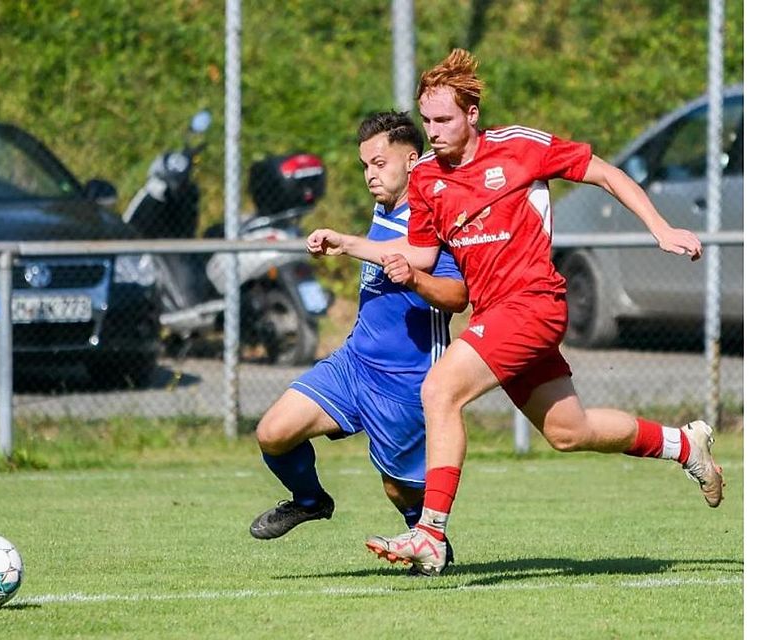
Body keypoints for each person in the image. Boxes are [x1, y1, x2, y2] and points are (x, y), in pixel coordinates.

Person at [307, 49, 723, 577]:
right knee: (569, 431)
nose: (432, 132)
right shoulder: (429, 180)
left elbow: (605, 174)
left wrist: (660, 229)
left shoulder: (520, 147)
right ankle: (683, 444)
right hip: (496, 315)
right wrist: (348, 242)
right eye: (427, 120)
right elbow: (419, 257)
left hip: (534, 305)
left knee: (440, 389)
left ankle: (429, 533)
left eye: (444, 120)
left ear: (472, 114)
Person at [249, 111, 468, 569]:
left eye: (379, 163)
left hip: (407, 380)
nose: (371, 174)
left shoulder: (435, 218)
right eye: (365, 165)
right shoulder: (384, 206)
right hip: (354, 363)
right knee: (273, 433)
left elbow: (457, 297)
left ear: (412, 161)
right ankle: (310, 501)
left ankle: (430, 539)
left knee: (398, 488)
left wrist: (414, 280)